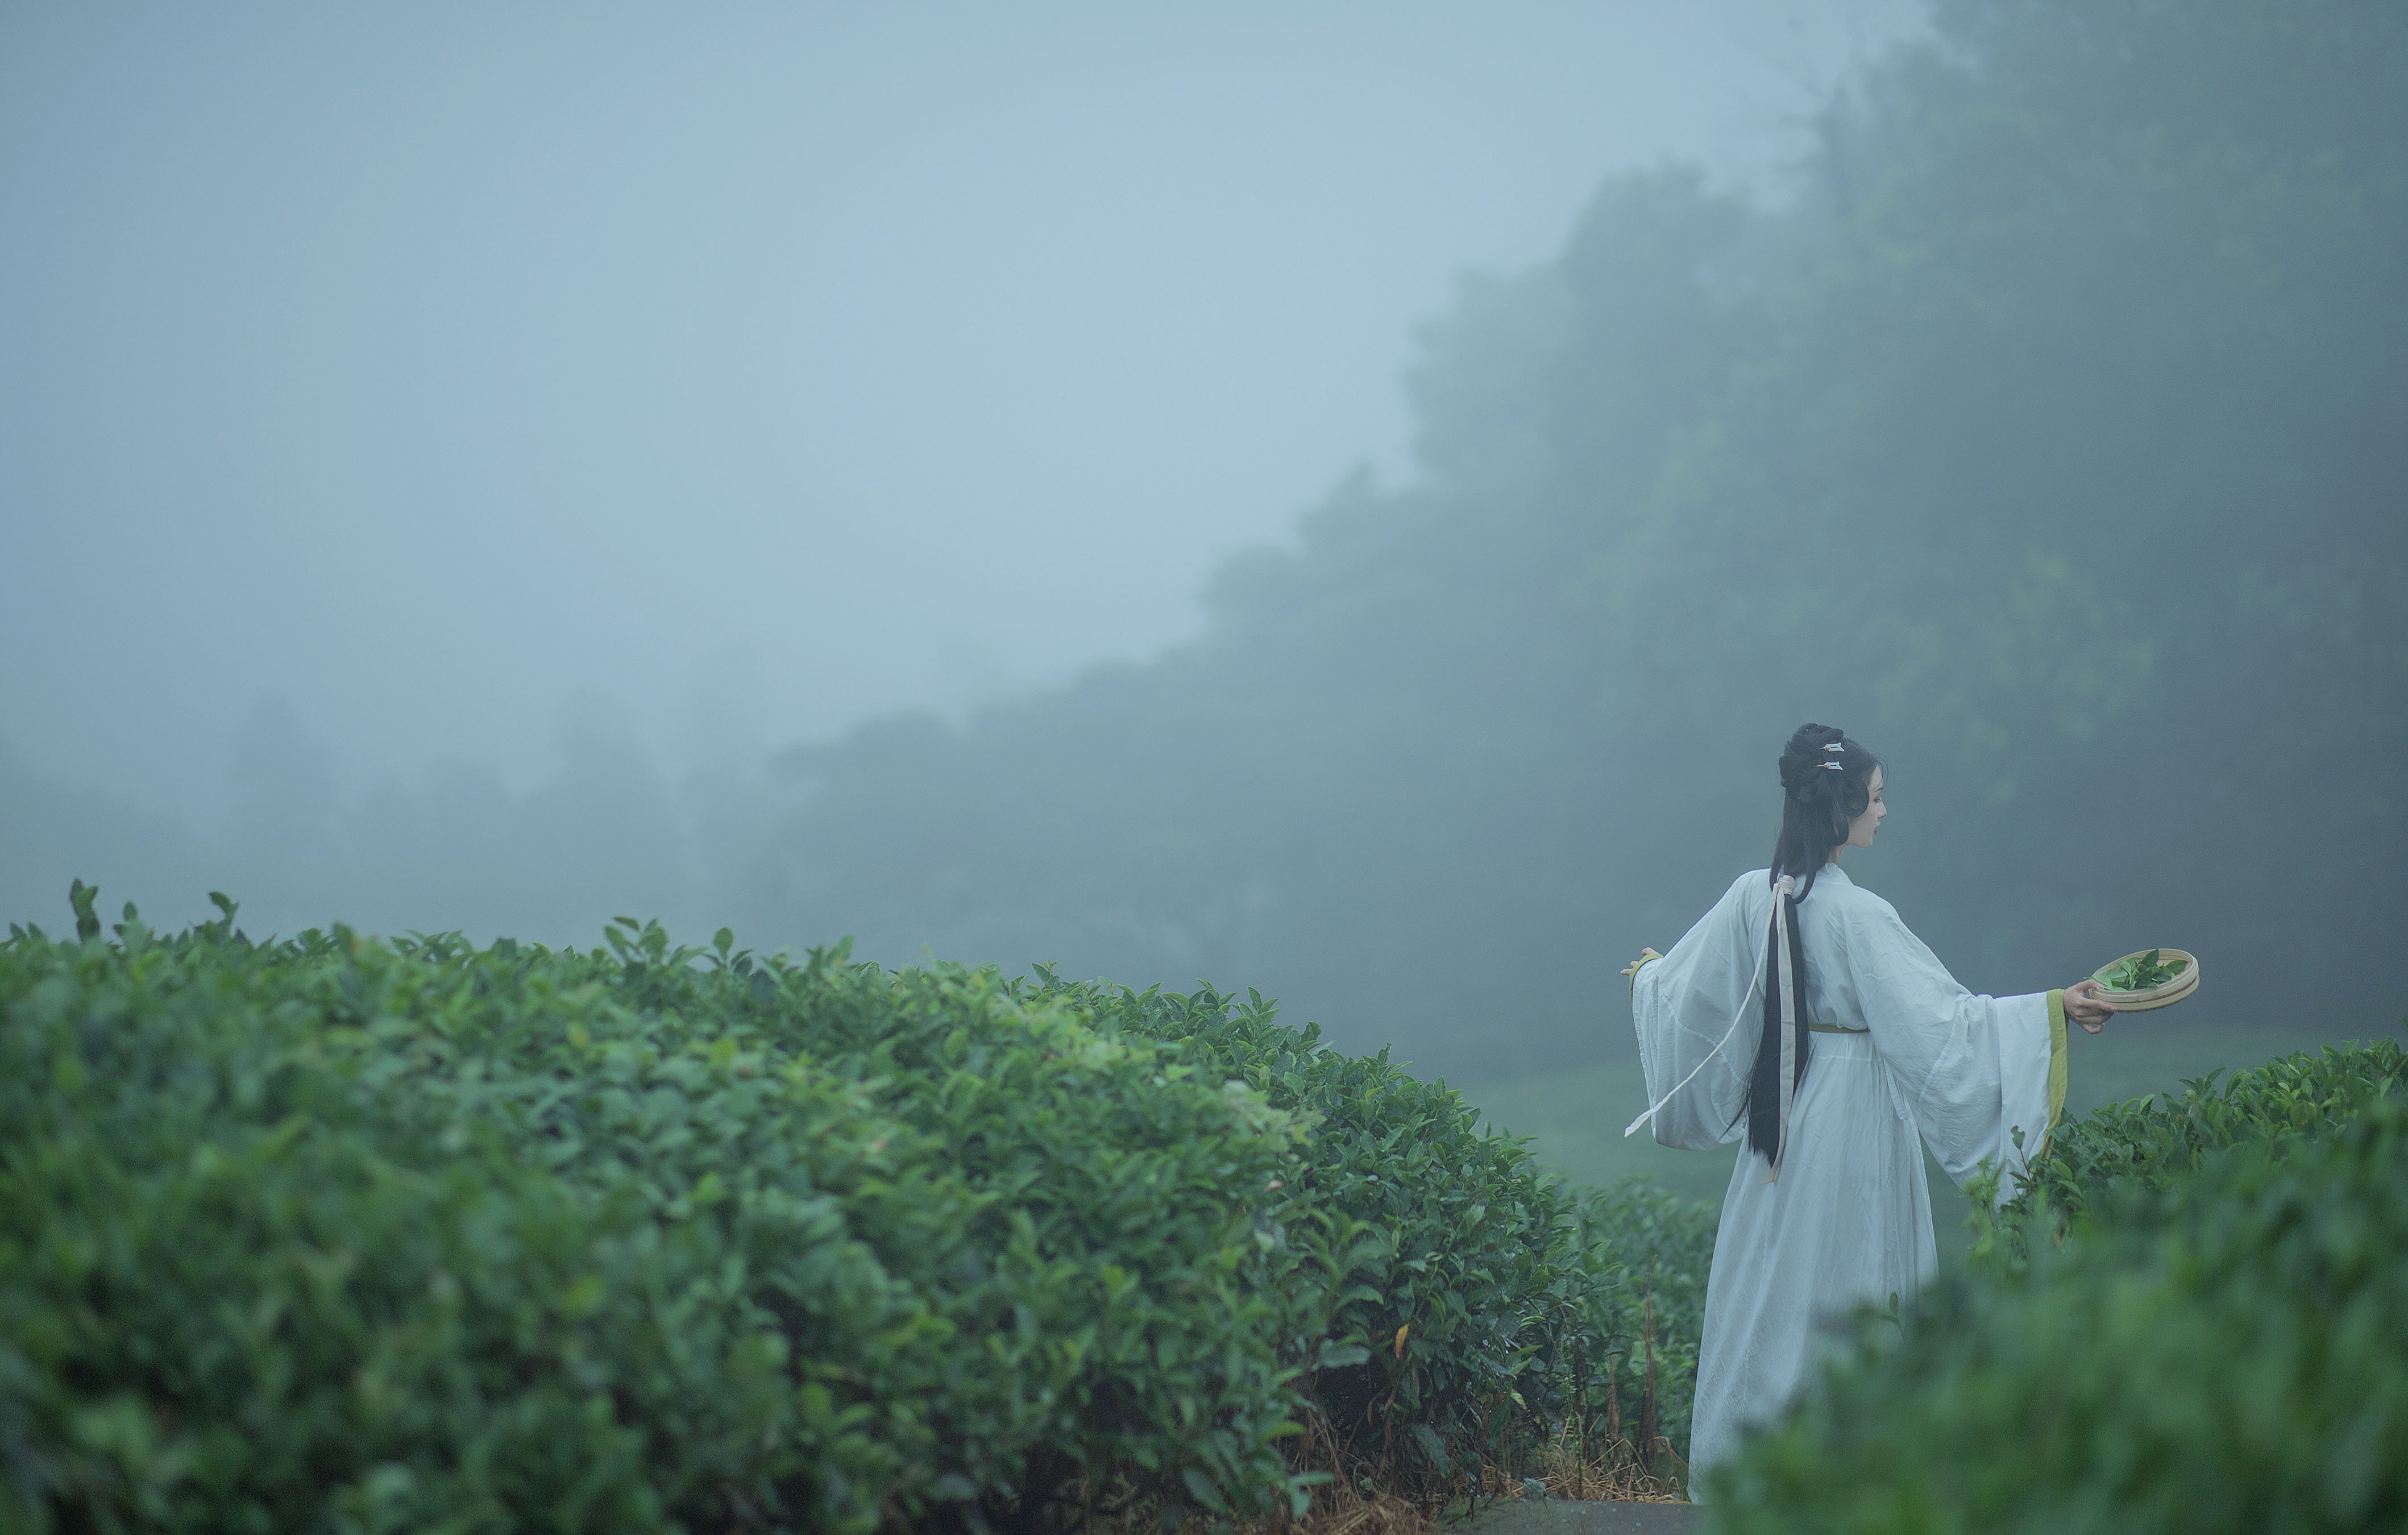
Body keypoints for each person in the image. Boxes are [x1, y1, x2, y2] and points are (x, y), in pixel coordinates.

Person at [1621, 723, 2114, 1492]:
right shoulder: (1861, 917)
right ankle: (1852, 1474)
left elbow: (1690, 984)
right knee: (1852, 1278)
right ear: (1844, 805)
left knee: (1772, 1281)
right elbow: (1943, 1028)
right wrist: (2053, 1008)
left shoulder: (1756, 893)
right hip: (1851, 1119)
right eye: (1877, 798)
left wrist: (1651, 980)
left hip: (1780, 1119)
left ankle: (1753, 1470)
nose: (1885, 812)